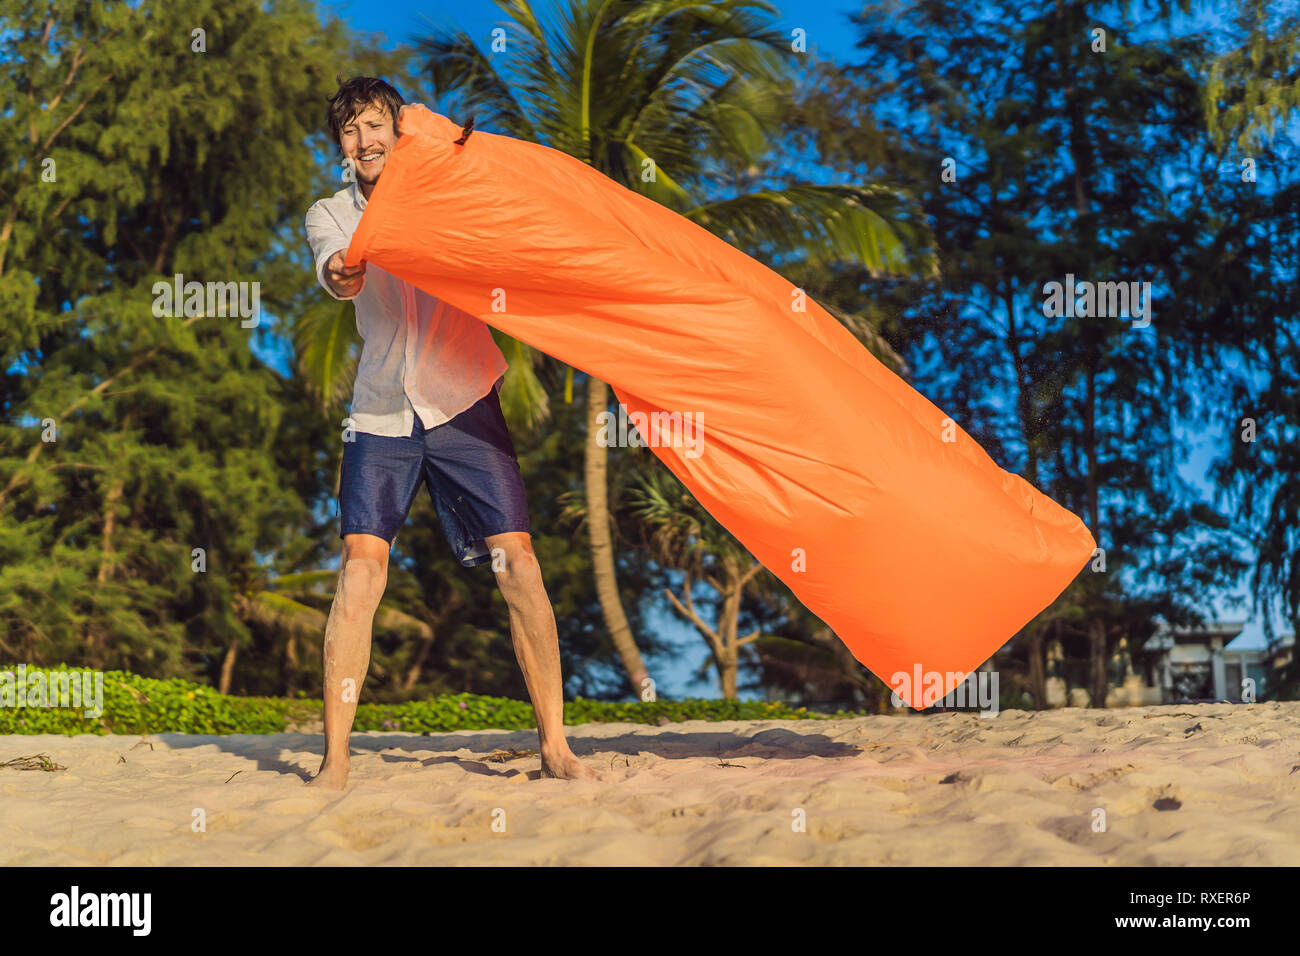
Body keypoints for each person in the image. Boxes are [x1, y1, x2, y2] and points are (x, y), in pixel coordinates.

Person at [302, 76, 602, 787]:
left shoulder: (449, 194)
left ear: (397, 130)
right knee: (360, 570)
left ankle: (556, 746)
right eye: (350, 132)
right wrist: (349, 267)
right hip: (379, 413)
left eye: (375, 125)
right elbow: (339, 275)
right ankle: (336, 760)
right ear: (339, 147)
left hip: (462, 396)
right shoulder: (330, 213)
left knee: (518, 563)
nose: (364, 141)